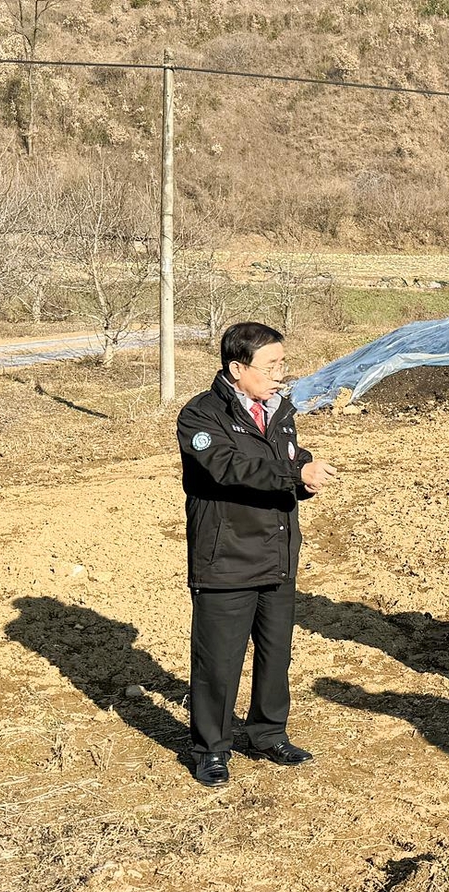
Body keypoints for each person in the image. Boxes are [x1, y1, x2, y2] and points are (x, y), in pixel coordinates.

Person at [177, 321, 337, 787]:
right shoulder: (201, 417)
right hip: (226, 556)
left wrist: (307, 472)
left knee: (275, 652)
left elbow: (285, 456)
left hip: (278, 551)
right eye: (270, 367)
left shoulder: (278, 409)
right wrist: (295, 472)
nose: (279, 375)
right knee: (218, 660)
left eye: (282, 364)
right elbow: (231, 467)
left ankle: (267, 732)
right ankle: (210, 747)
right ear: (236, 368)